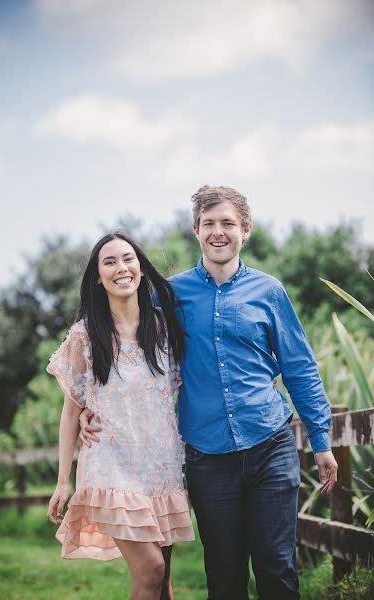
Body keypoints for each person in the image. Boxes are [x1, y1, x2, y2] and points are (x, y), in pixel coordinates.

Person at [80, 186, 338, 600]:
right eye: (209, 224)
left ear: (245, 230)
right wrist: (88, 408)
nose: (219, 232)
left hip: (270, 444)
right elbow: (128, 349)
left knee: (277, 569)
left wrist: (321, 441)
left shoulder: (269, 291)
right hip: (207, 458)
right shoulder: (169, 296)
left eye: (228, 224)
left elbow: (300, 367)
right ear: (196, 230)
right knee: (225, 575)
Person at [46, 232, 194, 600]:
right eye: (109, 262)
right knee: (151, 570)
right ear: (98, 277)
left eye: (127, 259)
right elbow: (70, 412)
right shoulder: (86, 335)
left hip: (161, 466)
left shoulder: (163, 328)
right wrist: (63, 480)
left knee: (164, 581)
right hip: (112, 468)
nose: (121, 268)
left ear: (140, 268)